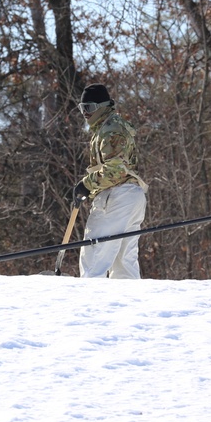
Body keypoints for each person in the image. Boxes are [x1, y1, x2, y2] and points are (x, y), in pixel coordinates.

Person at [72, 83, 148, 278]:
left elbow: (115, 170)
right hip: (130, 197)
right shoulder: (109, 127)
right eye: (82, 108)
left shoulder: (111, 130)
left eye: (88, 108)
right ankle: (124, 304)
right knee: (124, 262)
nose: (85, 113)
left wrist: (86, 184)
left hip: (117, 197)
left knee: (95, 253)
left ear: (102, 106)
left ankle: (90, 301)